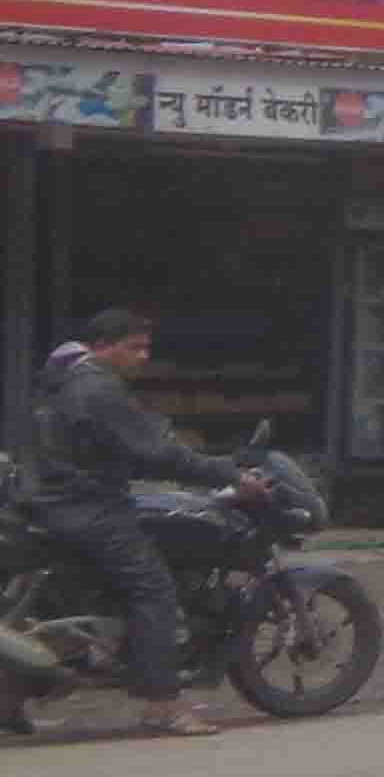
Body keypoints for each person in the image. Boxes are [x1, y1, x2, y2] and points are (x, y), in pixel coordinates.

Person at [25, 307, 237, 736]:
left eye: (146, 348)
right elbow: (156, 453)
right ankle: (163, 706)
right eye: (134, 347)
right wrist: (229, 473)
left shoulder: (67, 377)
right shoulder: (99, 389)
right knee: (154, 590)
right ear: (104, 346)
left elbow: (127, 445)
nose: (143, 357)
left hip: (53, 499)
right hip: (87, 507)